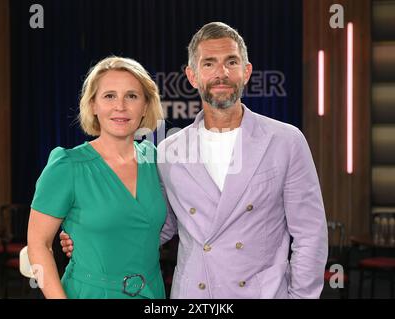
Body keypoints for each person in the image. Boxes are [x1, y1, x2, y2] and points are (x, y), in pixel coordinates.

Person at [61, 22, 328, 299]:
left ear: (246, 72)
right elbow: (157, 226)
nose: (221, 73)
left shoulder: (286, 141)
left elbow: (311, 234)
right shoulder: (168, 150)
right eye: (209, 64)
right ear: (192, 76)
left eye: (231, 62)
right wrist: (91, 237)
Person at [27, 56, 167, 299]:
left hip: (153, 293)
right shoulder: (67, 167)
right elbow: (38, 246)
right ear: (93, 104)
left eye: (132, 96)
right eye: (109, 96)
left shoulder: (157, 160)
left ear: (145, 106)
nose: (120, 106)